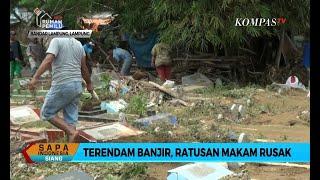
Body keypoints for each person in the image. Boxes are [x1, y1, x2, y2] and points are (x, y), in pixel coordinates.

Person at [28, 36, 93, 143]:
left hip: (63, 83)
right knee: (71, 119)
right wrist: (89, 83)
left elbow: (48, 60)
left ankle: (71, 132)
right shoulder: (78, 45)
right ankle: (71, 148)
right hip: (77, 85)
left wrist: (35, 77)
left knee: (46, 113)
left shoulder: (56, 40)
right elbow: (84, 67)